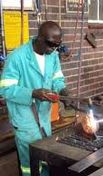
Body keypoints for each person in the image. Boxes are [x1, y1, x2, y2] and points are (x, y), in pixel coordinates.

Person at [0, 21, 68, 176]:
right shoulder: (17, 57)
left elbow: (57, 79)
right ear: (40, 38)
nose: (54, 49)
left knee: (45, 154)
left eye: (58, 45)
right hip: (24, 117)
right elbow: (5, 89)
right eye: (51, 45)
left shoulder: (53, 56)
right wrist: (32, 93)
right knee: (30, 159)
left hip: (44, 116)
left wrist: (63, 90)